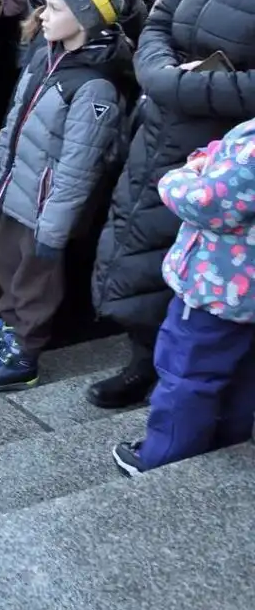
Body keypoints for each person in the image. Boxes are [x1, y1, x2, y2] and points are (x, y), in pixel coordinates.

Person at [90, 0, 255, 410]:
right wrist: (159, 75)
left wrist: (184, 91)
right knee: (136, 229)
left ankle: (173, 371)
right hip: (160, 119)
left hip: (224, 149)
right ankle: (141, 357)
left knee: (189, 250)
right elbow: (161, 21)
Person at [0, 0, 133, 391]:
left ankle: (25, 351)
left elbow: (79, 168)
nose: (42, 15)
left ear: (86, 20)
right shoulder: (47, 57)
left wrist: (54, 228)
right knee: (10, 267)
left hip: (45, 210)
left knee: (35, 280)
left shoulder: (94, 88)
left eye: (55, 8)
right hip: (17, 191)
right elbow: (15, 121)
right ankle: (8, 331)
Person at [112, 114, 255, 476]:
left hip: (216, 288)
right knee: (241, 374)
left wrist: (179, 175)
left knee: (187, 376)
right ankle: (227, 441)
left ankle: (164, 458)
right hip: (247, 298)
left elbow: (208, 202)